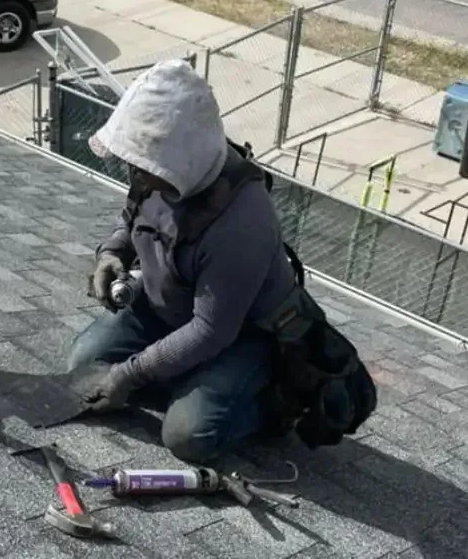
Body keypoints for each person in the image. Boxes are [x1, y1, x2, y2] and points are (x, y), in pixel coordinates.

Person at [68, 58, 299, 463]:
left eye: (143, 166)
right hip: (169, 308)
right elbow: (136, 220)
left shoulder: (241, 222)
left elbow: (212, 331)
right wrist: (110, 253)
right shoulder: (161, 172)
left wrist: (128, 375)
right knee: (83, 365)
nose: (133, 173)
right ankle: (181, 374)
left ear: (180, 157)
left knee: (188, 436)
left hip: (241, 337)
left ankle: (266, 403)